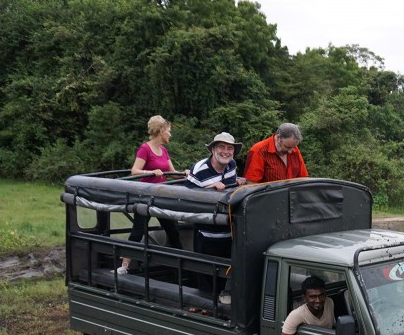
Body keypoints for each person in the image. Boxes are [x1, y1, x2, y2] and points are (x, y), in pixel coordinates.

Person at [118, 116, 183, 274]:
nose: (170, 134)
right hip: (146, 198)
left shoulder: (164, 151)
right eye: (168, 131)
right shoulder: (145, 149)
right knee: (138, 230)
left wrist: (185, 174)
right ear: (161, 131)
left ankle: (182, 265)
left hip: (161, 197)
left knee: (173, 230)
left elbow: (172, 173)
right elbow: (134, 171)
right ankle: (124, 265)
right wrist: (151, 172)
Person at [185, 132, 247, 292]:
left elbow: (230, 187)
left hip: (227, 230)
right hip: (206, 232)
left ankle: (217, 304)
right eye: (221, 147)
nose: (225, 151)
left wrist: (237, 181)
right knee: (205, 271)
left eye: (230, 148)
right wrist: (210, 189)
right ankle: (204, 306)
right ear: (213, 149)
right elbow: (187, 197)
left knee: (222, 271)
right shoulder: (199, 169)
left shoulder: (232, 165)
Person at [244, 123, 309, 183]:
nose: (290, 151)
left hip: (291, 194)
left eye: (293, 147)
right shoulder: (259, 150)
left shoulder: (293, 148)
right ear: (278, 137)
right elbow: (251, 184)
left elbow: (303, 178)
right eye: (287, 147)